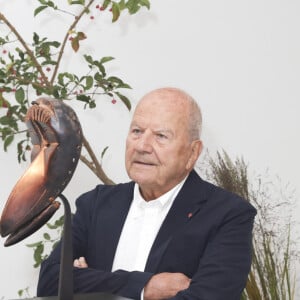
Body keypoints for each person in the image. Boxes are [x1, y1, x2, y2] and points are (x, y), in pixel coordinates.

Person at [37, 87, 257, 300]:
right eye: (137, 131)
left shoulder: (228, 215)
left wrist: (92, 283)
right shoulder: (96, 203)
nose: (142, 146)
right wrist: (145, 287)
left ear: (193, 153)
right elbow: (50, 282)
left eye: (161, 136)